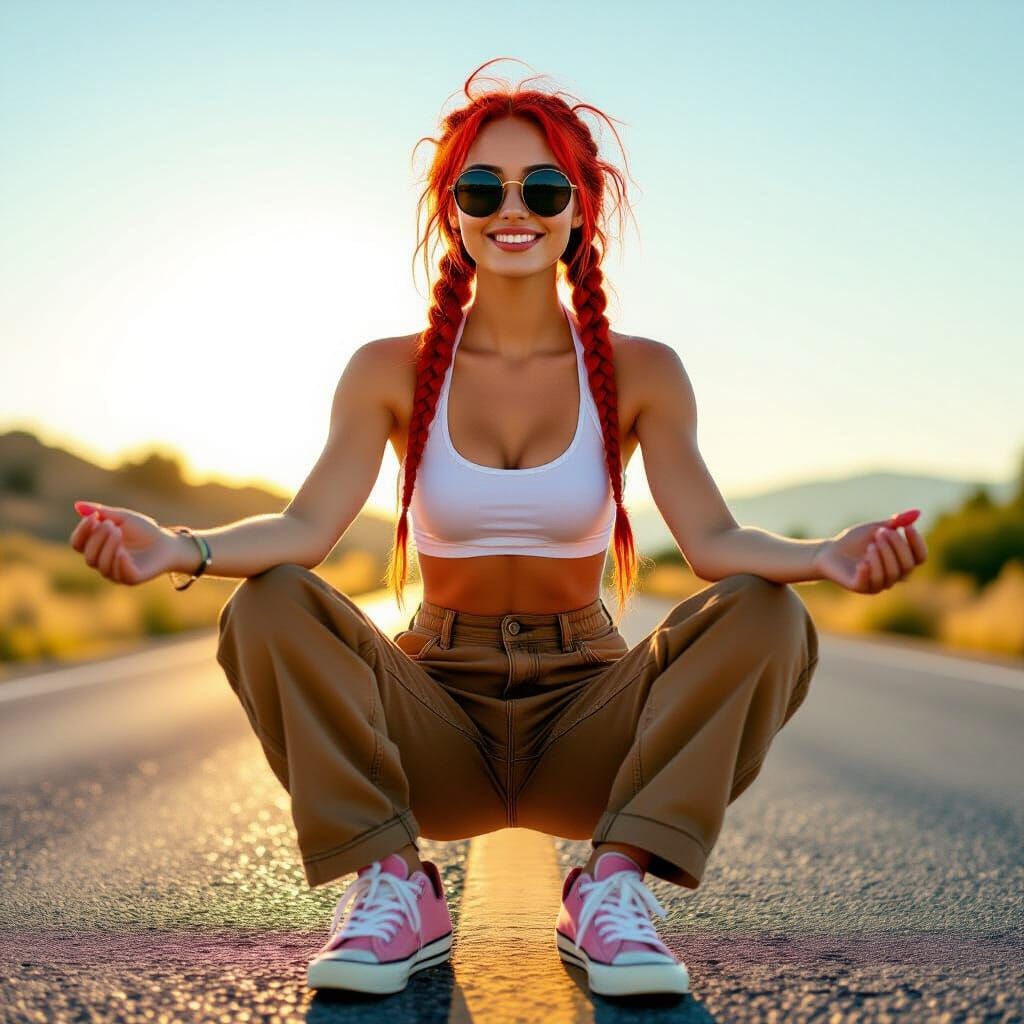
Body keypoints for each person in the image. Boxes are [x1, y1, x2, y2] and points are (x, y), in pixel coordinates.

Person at [70, 60, 928, 1001]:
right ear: (452, 210)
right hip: (432, 722)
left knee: (769, 613)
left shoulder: (642, 371)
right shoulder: (389, 369)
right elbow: (306, 528)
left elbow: (714, 544)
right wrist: (180, 549)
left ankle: (610, 888)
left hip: (587, 721)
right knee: (268, 598)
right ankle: (395, 886)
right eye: (482, 188)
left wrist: (822, 558)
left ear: (581, 208)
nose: (512, 209)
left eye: (542, 187)